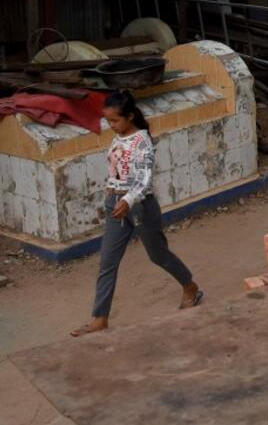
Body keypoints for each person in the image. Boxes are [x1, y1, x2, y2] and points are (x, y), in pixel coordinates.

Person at [71, 91, 202, 337]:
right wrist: (113, 197)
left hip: (140, 206)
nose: (111, 126)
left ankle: (190, 286)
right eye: (107, 121)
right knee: (107, 262)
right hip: (115, 204)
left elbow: (144, 181)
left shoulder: (143, 142)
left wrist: (128, 200)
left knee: (158, 255)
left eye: (115, 121)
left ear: (130, 116)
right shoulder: (118, 138)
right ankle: (100, 318)